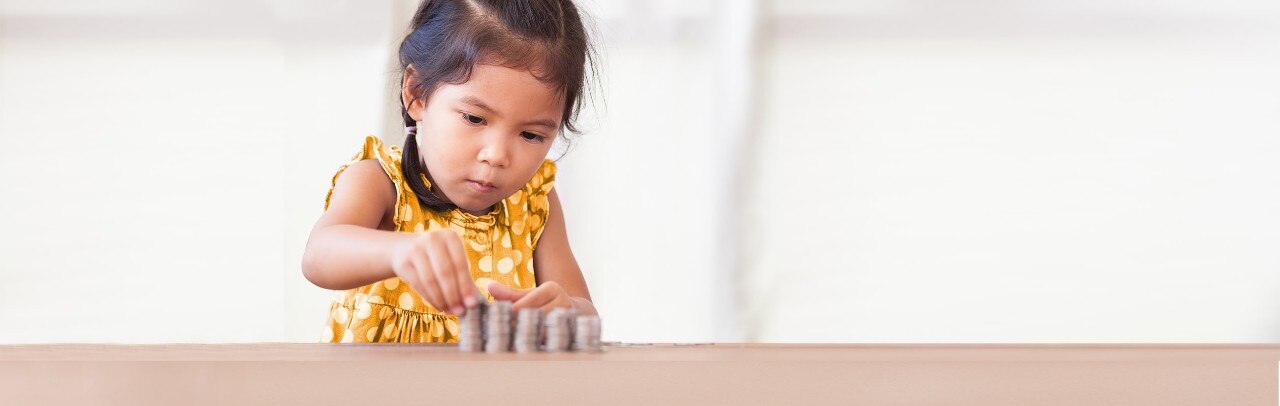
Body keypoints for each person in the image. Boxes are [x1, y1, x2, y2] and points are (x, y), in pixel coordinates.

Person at [301, 0, 597, 343]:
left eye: (531, 134)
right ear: (417, 94)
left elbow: (585, 310)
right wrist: (398, 251)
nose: (496, 155)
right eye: (474, 118)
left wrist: (567, 312)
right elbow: (319, 255)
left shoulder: (533, 204)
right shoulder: (381, 182)